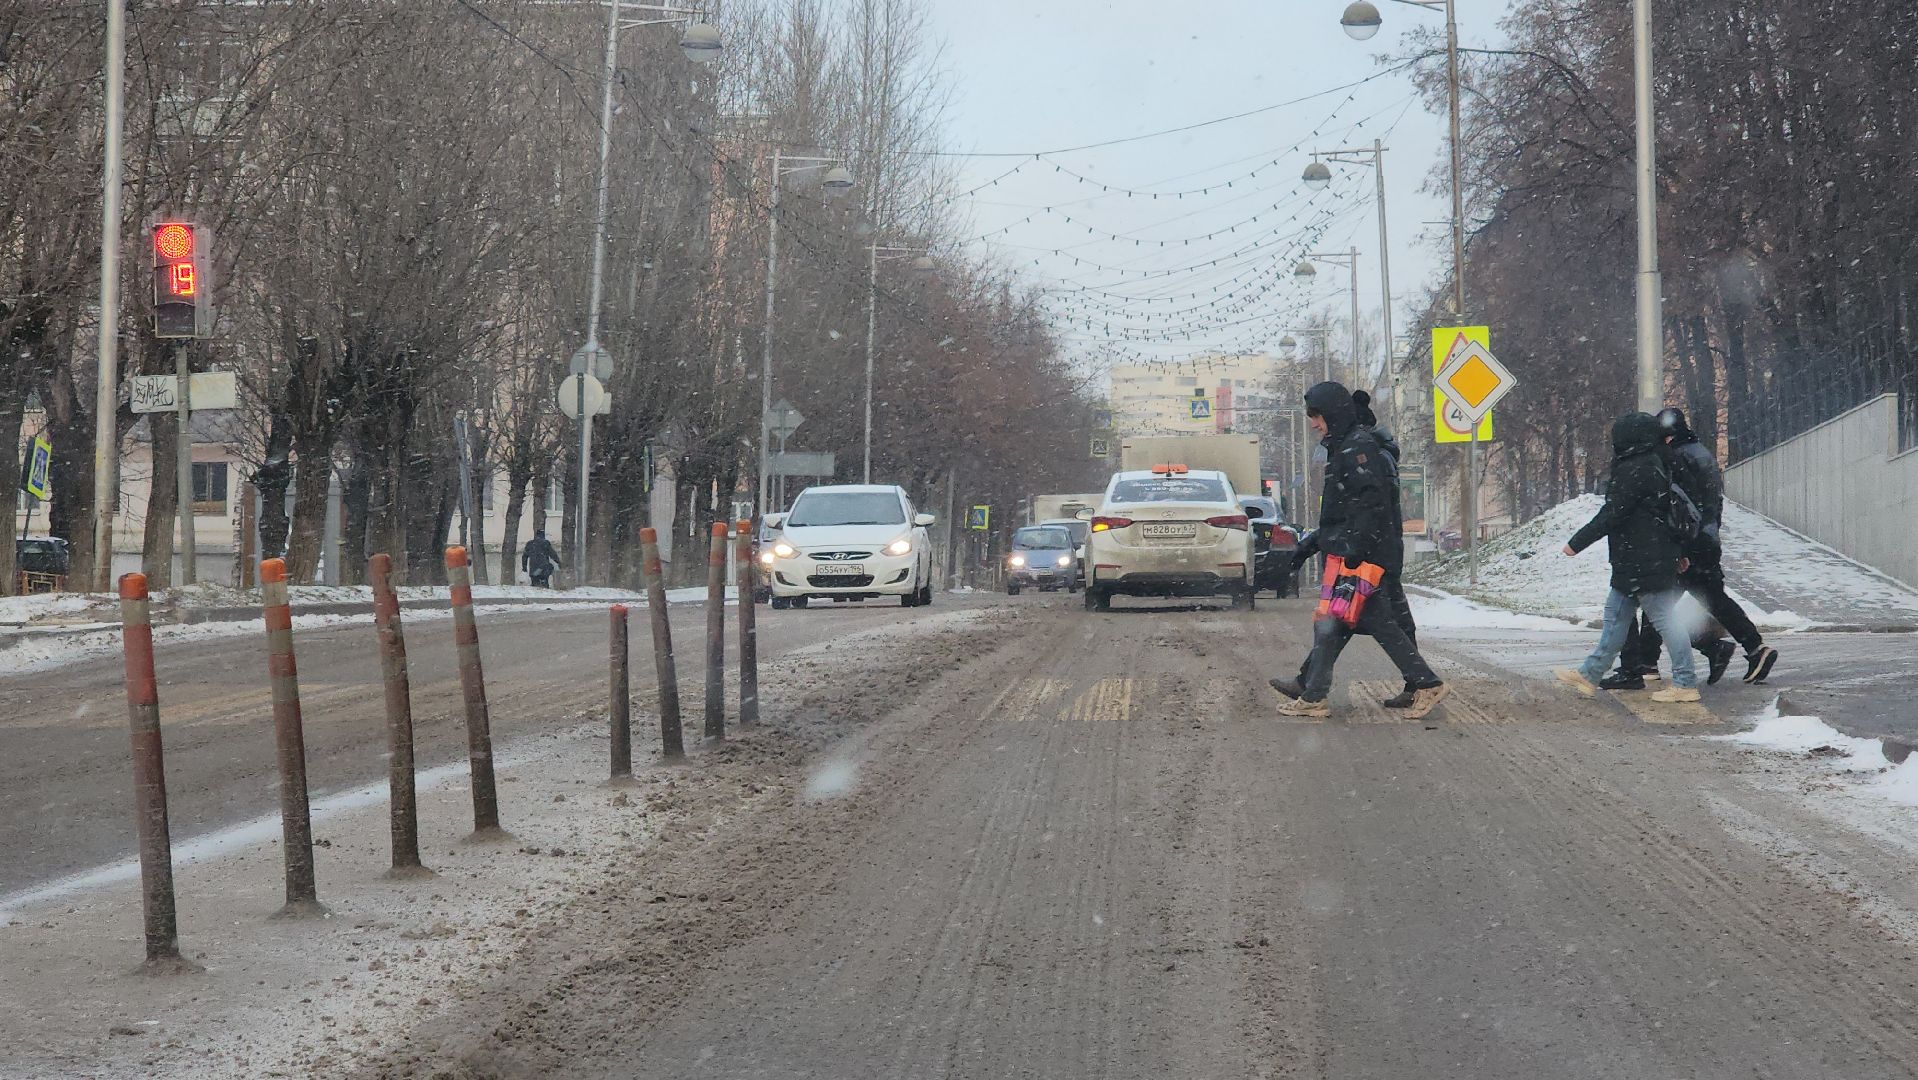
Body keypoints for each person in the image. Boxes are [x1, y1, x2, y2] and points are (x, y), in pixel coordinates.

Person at [1269, 382, 1448, 721]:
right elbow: (1341, 513)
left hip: (1360, 558)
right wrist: (1309, 547)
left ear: (1332, 414)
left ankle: (1426, 683)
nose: (1313, 423)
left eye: (1316, 416)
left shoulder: (1357, 450)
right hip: (1354, 553)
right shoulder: (1347, 447)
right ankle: (1312, 690)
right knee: (1335, 622)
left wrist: (1354, 550)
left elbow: (1369, 507)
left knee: (1372, 623)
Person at [1606, 407, 1779, 689]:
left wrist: (1679, 545)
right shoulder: (1699, 452)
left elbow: (1681, 505)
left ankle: (1653, 662)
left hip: (1691, 542)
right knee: (1703, 600)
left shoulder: (1679, 458)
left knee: (1661, 603)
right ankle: (1744, 648)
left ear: (1668, 436)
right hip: (1705, 539)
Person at [1555, 412, 1700, 702]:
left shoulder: (1637, 467)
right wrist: (1678, 553)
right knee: (1616, 616)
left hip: (1643, 560)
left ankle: (1685, 684)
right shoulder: (1655, 462)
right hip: (1640, 559)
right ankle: (1590, 674)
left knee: (1664, 619)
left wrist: (1576, 542)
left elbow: (1613, 513)